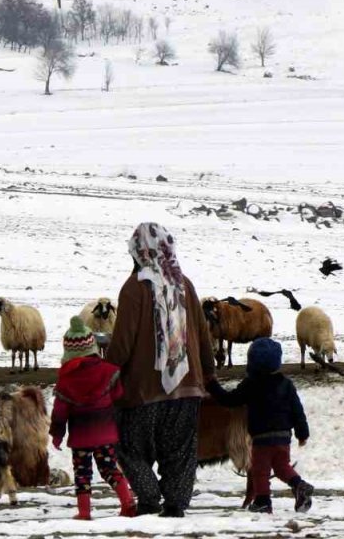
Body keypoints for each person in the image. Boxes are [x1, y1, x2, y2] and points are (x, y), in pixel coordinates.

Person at [105, 222, 216, 517]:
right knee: (179, 451)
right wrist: (209, 373)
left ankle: (150, 497)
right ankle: (176, 506)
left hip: (143, 391)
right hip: (187, 387)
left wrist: (107, 375)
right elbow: (202, 334)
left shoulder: (134, 288)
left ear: (139, 253)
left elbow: (123, 342)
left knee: (128, 445)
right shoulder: (185, 285)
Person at [206, 337, 314, 513]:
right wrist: (302, 434)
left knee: (260, 470)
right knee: (281, 467)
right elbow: (297, 411)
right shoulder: (286, 384)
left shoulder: (251, 384)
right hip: (283, 437)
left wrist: (212, 385)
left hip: (262, 438)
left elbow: (230, 400)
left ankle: (263, 501)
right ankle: (298, 484)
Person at [49, 317, 136, 519]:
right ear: (92, 345)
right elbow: (118, 395)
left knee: (82, 474)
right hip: (105, 432)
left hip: (80, 436)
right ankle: (128, 502)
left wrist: (57, 434)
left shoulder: (66, 379)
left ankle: (84, 512)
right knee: (109, 469)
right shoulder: (108, 372)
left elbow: (60, 411)